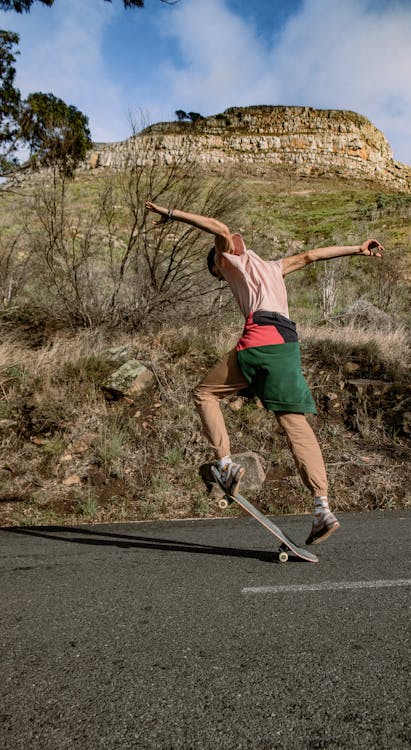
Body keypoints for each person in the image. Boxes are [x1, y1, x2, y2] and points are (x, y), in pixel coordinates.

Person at [145, 200, 384, 545]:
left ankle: (225, 465)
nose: (227, 250)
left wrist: (171, 214)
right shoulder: (253, 264)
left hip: (259, 340)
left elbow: (228, 231)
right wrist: (357, 249)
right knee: (296, 425)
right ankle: (322, 507)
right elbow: (306, 254)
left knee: (204, 393)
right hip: (287, 344)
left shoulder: (247, 263)